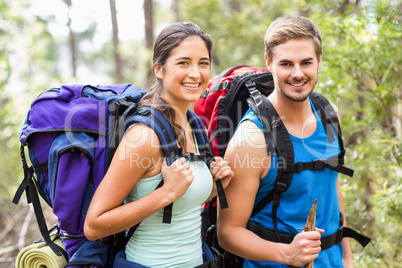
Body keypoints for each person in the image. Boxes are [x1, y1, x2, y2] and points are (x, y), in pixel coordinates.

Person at [84, 22, 233, 268]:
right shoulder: (143, 137)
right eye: (183, 63)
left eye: (203, 63)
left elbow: (181, 208)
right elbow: (94, 225)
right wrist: (165, 193)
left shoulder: (193, 124)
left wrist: (216, 186)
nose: (196, 73)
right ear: (159, 69)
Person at [217, 16, 354, 267]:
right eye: (286, 64)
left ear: (319, 61)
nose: (298, 73)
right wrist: (286, 254)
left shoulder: (329, 115)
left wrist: (347, 258)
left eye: (306, 62)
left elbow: (331, 188)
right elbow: (227, 233)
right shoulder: (252, 139)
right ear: (269, 63)